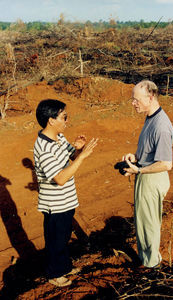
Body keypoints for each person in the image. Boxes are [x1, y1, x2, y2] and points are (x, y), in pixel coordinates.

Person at [34, 99, 97, 287]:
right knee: (56, 240)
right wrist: (83, 157)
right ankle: (55, 273)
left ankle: (65, 266)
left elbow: (71, 157)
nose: (67, 121)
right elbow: (60, 179)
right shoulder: (43, 147)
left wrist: (78, 149)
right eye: (64, 117)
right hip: (55, 204)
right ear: (51, 120)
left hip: (67, 201)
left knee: (63, 236)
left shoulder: (59, 137)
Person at [122, 80, 173, 269]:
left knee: (148, 224)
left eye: (136, 100)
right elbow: (151, 151)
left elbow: (166, 163)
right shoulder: (150, 117)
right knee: (143, 221)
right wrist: (135, 157)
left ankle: (151, 266)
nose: (133, 103)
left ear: (150, 97)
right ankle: (147, 260)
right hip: (145, 174)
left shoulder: (161, 126)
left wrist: (140, 170)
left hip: (152, 178)